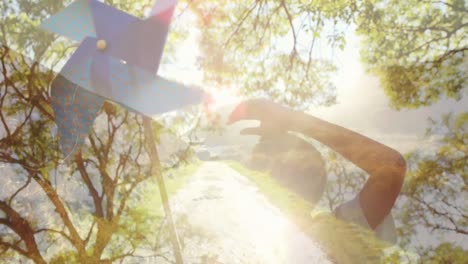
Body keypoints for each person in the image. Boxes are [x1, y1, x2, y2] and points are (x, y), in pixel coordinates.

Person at [227, 99, 407, 243]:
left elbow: (391, 167)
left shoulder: (329, 238)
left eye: (265, 164)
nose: (258, 171)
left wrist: (297, 121)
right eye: (258, 162)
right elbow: (391, 166)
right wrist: (298, 122)